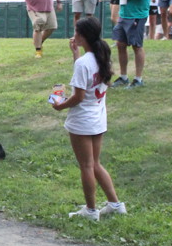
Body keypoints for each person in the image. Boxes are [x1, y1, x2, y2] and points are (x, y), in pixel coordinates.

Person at [51, 16, 124, 221]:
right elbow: (87, 76)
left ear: (82, 35)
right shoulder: (102, 56)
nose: (74, 35)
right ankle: (115, 204)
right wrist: (76, 54)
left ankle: (91, 211)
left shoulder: (84, 63)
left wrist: (59, 106)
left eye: (76, 31)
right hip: (98, 118)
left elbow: (78, 96)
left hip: (82, 121)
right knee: (95, 164)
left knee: (86, 166)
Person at [110, 0, 151, 89]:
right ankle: (123, 77)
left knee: (136, 46)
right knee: (121, 44)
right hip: (125, 13)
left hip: (136, 14)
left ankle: (138, 79)